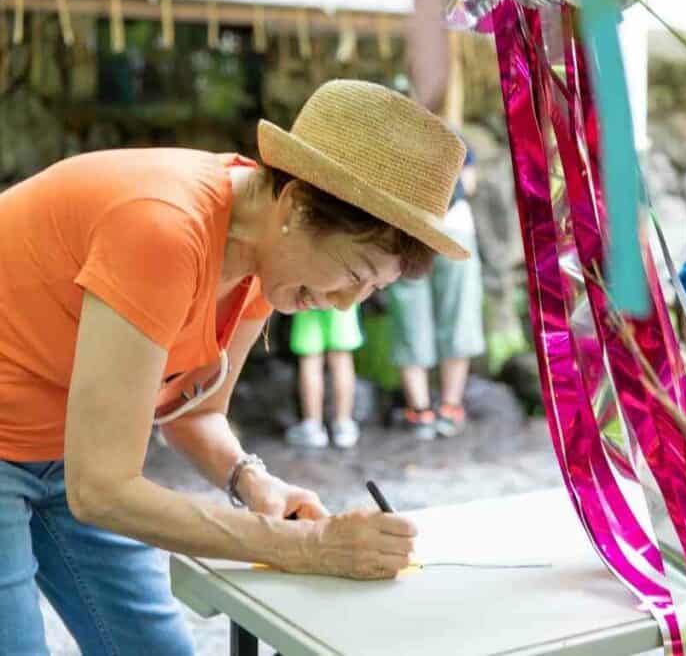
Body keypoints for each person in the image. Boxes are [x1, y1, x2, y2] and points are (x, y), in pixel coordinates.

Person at [0, 80, 469, 654]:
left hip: (67, 452)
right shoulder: (164, 228)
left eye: (370, 289)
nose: (347, 303)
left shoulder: (265, 258)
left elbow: (194, 416)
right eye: (352, 273)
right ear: (296, 205)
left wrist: (256, 484)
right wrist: (311, 548)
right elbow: (102, 489)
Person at [388, 141, 485, 439]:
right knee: (458, 311)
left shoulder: (387, 137)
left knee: (409, 312)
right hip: (454, 227)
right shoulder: (453, 136)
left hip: (408, 226)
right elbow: (468, 185)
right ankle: (450, 407)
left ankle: (420, 410)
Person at [287, 306, 364, 449]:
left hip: (308, 298)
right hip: (343, 295)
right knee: (341, 358)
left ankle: (312, 426)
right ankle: (343, 424)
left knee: (310, 358)